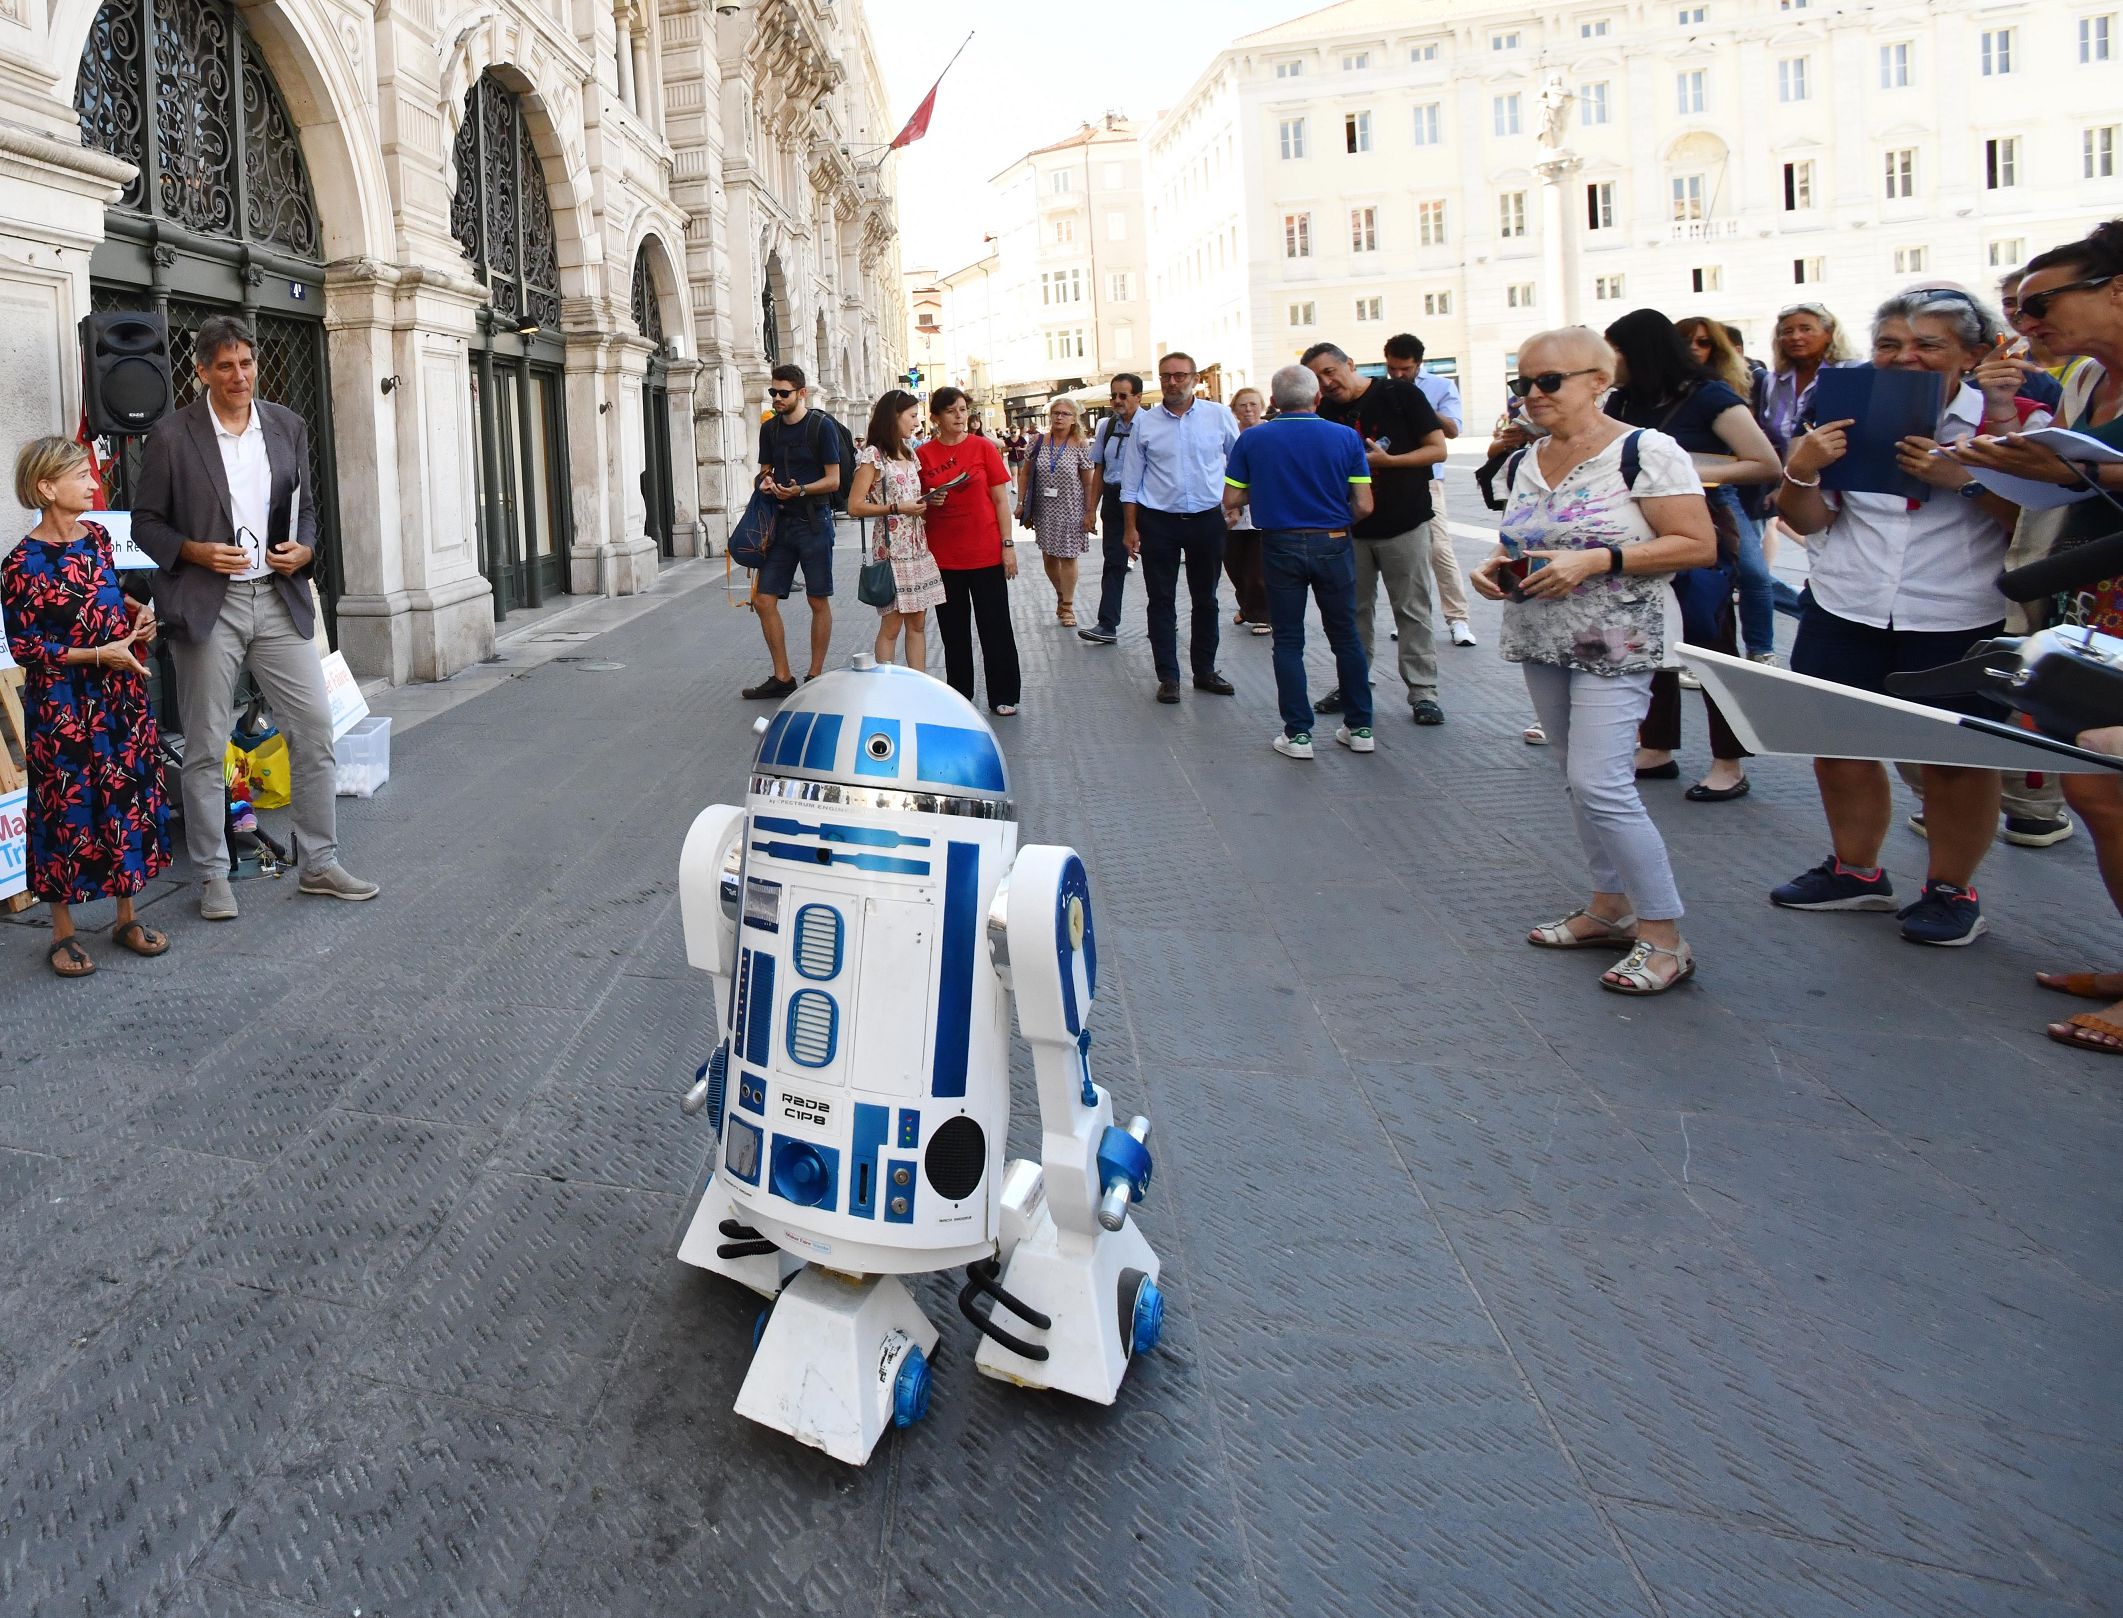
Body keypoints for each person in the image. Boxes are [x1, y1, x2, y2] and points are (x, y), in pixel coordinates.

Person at [1769, 289, 2028, 945]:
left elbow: (2033, 530)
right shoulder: (1842, 412)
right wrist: (1798, 475)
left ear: (1971, 355)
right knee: (1837, 748)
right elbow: (1811, 520)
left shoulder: (2010, 420)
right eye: (1888, 344)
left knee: (1954, 760)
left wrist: (1965, 478)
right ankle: (1854, 873)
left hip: (1957, 614)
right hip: (1845, 603)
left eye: (1926, 345)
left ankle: (1950, 889)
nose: (1903, 357)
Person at [1469, 328, 1717, 995]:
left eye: (1547, 381)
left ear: (1596, 381)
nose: (1532, 394)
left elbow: (1696, 544)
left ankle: (1663, 934)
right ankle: (1610, 907)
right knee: (1574, 776)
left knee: (1599, 781)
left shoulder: (1645, 451)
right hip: (1541, 633)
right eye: (1522, 382)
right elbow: (1522, 540)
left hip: (1616, 635)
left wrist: (1599, 559)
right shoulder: (1527, 459)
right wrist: (1491, 571)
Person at [132, 313, 375, 919]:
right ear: (202, 373)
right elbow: (144, 524)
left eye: (247, 363)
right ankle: (214, 874)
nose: (239, 375)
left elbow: (308, 510)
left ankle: (319, 863)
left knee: (315, 728)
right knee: (207, 745)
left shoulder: (287, 425)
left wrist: (307, 549)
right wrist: (193, 551)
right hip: (209, 603)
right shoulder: (170, 436)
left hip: (277, 594)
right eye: (225, 366)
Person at [1951, 220, 2123, 1037]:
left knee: (2101, 783)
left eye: (2041, 302)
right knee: (2093, 787)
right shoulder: (2088, 377)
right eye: (2015, 307)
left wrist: (2074, 466)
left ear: (2115, 288)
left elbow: (2084, 471)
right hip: (2100, 600)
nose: (2024, 323)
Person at [2, 438, 171, 976]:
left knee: (126, 799)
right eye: (82, 476)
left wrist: (137, 608)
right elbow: (27, 648)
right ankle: (63, 933)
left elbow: (103, 592)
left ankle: (126, 916)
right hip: (64, 706)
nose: (94, 484)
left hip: (120, 697)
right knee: (65, 810)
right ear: (47, 488)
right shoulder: (20, 563)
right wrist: (100, 653)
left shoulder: (96, 537)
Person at [1603, 309, 1782, 801]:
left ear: (1641, 352)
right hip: (1639, 531)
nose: (1609, 360)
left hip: (1700, 526)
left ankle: (1729, 762)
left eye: (1614, 350)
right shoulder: (1623, 400)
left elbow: (1765, 462)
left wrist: (1686, 469)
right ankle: (1656, 746)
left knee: (1709, 642)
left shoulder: (1709, 396)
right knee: (1646, 636)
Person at [1222, 366, 1374, 759]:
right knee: (1346, 636)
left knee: (1288, 640)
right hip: (1334, 541)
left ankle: (1299, 734)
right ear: (1317, 397)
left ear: (1273, 401)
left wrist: (1271, 490)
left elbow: (1232, 499)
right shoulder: (1345, 437)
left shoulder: (1254, 439)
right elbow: (1364, 504)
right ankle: (1360, 728)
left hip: (1280, 543)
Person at [1302, 342, 1450, 724]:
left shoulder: (1398, 393)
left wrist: (1390, 461)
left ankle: (1423, 692)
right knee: (1352, 613)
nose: (1326, 381)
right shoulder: (1324, 412)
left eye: (1330, 371)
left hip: (1405, 521)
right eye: (1317, 377)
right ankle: (1353, 683)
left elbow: (1437, 450)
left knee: (1412, 609)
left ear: (1349, 364)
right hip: (1351, 528)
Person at [1119, 352, 1240, 705]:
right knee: (1161, 600)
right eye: (1166, 376)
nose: (1173, 383)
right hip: (1159, 522)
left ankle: (1204, 671)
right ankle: (1168, 676)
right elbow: (1131, 480)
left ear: (1195, 378)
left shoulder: (1218, 416)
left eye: (1180, 376)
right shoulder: (1145, 423)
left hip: (1206, 519)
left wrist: (1233, 504)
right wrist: (1130, 528)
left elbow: (1240, 461)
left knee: (1207, 599)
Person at [917, 387, 1022, 714]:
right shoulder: (923, 455)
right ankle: (960, 693)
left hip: (985, 550)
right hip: (944, 555)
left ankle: (1004, 693)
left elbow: (1001, 500)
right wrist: (928, 500)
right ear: (936, 417)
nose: (960, 416)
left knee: (996, 626)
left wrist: (1008, 545)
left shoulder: (983, 448)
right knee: (953, 632)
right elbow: (915, 502)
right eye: (951, 411)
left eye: (963, 409)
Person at [741, 363, 840, 700]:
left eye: (784, 393)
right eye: (773, 392)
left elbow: (834, 480)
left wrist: (800, 490)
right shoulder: (770, 430)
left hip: (814, 523)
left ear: (802, 393)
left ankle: (815, 675)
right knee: (763, 599)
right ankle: (782, 677)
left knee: (817, 599)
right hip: (779, 525)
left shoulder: (821, 426)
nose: (777, 399)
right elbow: (763, 472)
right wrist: (765, 482)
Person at [1383, 333, 1476, 648]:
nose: (1397, 375)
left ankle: (1458, 619)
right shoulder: (1381, 390)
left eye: (1404, 369)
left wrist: (1417, 403)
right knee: (1402, 552)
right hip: (1389, 477)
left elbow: (1453, 430)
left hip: (1427, 478)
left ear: (1418, 365)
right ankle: (1407, 619)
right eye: (1391, 368)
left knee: (1439, 548)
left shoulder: (1440, 387)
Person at [847, 389, 944, 670]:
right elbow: (854, 506)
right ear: (894, 416)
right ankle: (886, 686)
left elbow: (909, 496)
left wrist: (929, 498)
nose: (917, 422)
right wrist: (896, 508)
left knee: (918, 622)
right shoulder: (873, 456)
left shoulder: (909, 453)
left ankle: (918, 684)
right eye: (912, 416)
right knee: (892, 624)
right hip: (892, 550)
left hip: (917, 547)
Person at [1015, 397, 1098, 626]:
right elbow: (1024, 474)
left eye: (1065, 414)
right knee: (1049, 556)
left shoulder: (1080, 444)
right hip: (1044, 509)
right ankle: (1061, 595)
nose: (1059, 417)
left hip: (1072, 507)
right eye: (1056, 413)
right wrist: (1021, 502)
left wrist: (1090, 511)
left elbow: (1089, 482)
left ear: (1074, 419)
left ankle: (1068, 606)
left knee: (1069, 555)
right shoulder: (1038, 441)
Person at [1080, 373, 1142, 646]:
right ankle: (1107, 624)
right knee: (1113, 562)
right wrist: (1091, 509)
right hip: (1115, 500)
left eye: (1123, 396)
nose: (1117, 401)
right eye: (1113, 395)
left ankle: (1162, 620)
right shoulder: (1106, 426)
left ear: (1137, 397)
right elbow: (1099, 469)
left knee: (1155, 564)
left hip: (1145, 501)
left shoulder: (1150, 425)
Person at [1758, 301, 1856, 457]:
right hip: (1788, 477)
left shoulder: (1850, 373)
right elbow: (1769, 438)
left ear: (1829, 334)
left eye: (1806, 329)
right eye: (1787, 331)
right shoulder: (1772, 380)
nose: (1796, 337)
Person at [1221, 388, 1271, 633]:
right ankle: (1247, 606)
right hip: (1230, 510)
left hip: (1261, 511)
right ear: (1234, 409)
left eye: (1253, 404)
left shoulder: (1270, 433)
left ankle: (1263, 614)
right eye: (1242, 405)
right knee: (1233, 565)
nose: (1248, 409)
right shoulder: (1229, 435)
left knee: (1257, 568)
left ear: (1261, 406)